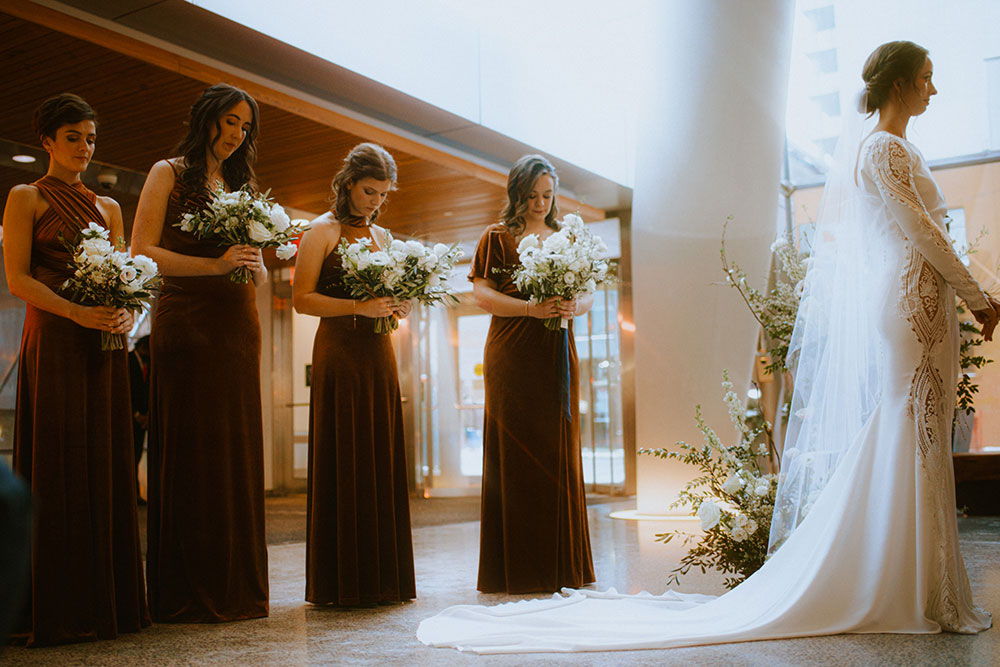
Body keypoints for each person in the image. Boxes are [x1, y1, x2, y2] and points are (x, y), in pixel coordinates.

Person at [417, 42, 995, 653]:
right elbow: (923, 231)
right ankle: (896, 577)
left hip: (922, 301)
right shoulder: (882, 148)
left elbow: (588, 292)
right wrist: (979, 294)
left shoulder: (896, 148)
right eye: (927, 78)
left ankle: (916, 578)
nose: (934, 90)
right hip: (911, 300)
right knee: (910, 426)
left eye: (548, 194)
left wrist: (975, 291)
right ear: (900, 83)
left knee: (913, 429)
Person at [2, 93, 149, 646]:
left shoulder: (109, 207)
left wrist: (126, 310)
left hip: (102, 346)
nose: (85, 148)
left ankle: (106, 598)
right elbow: (18, 279)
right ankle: (57, 602)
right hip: (55, 338)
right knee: (58, 459)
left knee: (105, 459)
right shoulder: (25, 196)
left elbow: (122, 275)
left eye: (91, 138)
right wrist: (77, 312)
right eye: (73, 138)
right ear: (47, 140)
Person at [132, 83, 269, 622]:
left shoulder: (240, 184)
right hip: (188, 322)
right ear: (208, 119)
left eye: (246, 127)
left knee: (235, 447)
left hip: (239, 323)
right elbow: (142, 251)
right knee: (194, 448)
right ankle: (190, 587)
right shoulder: (168, 171)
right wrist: (215, 266)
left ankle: (236, 584)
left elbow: (246, 259)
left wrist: (252, 266)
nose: (238, 134)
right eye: (231, 122)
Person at [292, 142, 415, 606]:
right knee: (344, 451)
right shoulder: (321, 231)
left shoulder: (384, 238)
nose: (375, 202)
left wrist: (397, 306)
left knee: (379, 452)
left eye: (382, 195)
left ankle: (384, 577)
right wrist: (359, 307)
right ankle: (341, 579)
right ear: (347, 184)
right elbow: (303, 298)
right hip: (340, 354)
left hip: (379, 354)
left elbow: (389, 301)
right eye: (369, 191)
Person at [469, 154, 595, 594]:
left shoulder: (567, 237)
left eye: (548, 195)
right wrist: (529, 308)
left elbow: (588, 293)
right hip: (511, 355)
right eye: (532, 195)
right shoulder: (497, 236)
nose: (541, 203)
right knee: (514, 453)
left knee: (557, 449)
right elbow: (482, 294)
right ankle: (514, 568)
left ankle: (562, 564)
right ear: (516, 193)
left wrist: (571, 307)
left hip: (556, 350)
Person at [128, 335, 150, 504]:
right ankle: (131, 494)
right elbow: (126, 390)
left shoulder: (147, 364)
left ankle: (136, 493)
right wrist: (136, 414)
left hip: (142, 420)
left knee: (137, 456)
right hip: (130, 418)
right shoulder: (127, 361)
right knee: (130, 457)